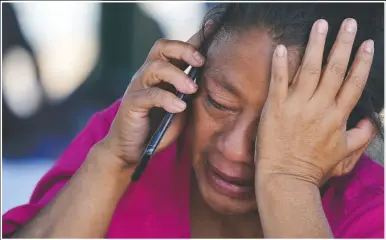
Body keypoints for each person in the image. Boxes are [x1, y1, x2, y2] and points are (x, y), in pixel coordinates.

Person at [3, 3, 384, 238]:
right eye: (218, 102)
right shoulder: (129, 138)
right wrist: (111, 163)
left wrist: (290, 183)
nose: (233, 150)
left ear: (350, 141)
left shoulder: (371, 214)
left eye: (280, 130)